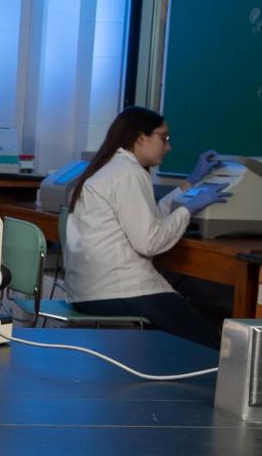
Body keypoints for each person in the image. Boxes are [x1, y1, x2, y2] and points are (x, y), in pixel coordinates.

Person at [62, 105, 230, 347]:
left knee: (185, 332)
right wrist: (188, 209)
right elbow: (149, 242)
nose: (168, 147)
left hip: (87, 292)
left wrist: (190, 183)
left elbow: (147, 216)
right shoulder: (129, 173)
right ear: (141, 138)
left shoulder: (111, 167)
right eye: (164, 138)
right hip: (119, 291)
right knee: (214, 347)